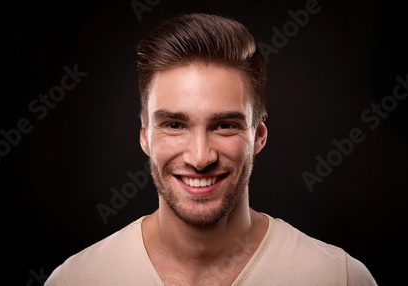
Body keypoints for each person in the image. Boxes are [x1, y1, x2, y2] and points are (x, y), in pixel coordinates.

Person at [45, 13, 378, 285]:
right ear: (145, 134)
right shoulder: (76, 279)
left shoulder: (338, 278)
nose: (200, 157)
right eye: (174, 125)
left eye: (225, 125)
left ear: (259, 135)